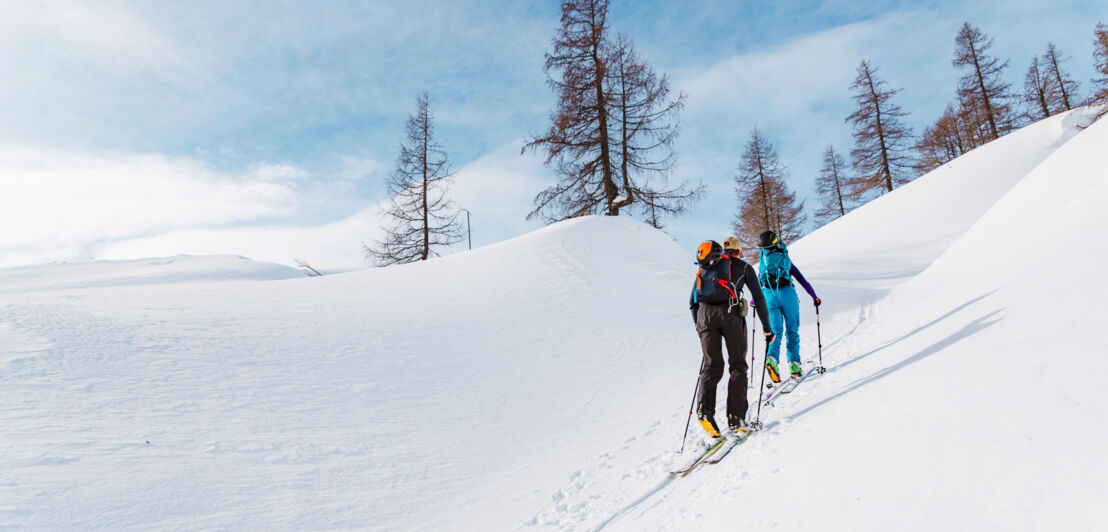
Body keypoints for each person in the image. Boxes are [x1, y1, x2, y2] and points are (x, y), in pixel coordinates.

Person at [689, 239, 773, 438]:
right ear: (738, 251)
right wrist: (767, 329)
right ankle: (735, 418)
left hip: (704, 316)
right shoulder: (743, 267)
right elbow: (759, 298)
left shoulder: (706, 269)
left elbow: (692, 302)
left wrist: (701, 328)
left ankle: (704, 410)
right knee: (737, 365)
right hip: (730, 314)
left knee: (711, 365)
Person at [755, 230, 821, 383]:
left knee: (775, 332)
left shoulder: (764, 264)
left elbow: (758, 283)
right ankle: (794, 365)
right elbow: (803, 281)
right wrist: (814, 297)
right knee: (792, 330)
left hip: (768, 296)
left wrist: (753, 302)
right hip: (787, 295)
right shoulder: (785, 261)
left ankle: (771, 359)